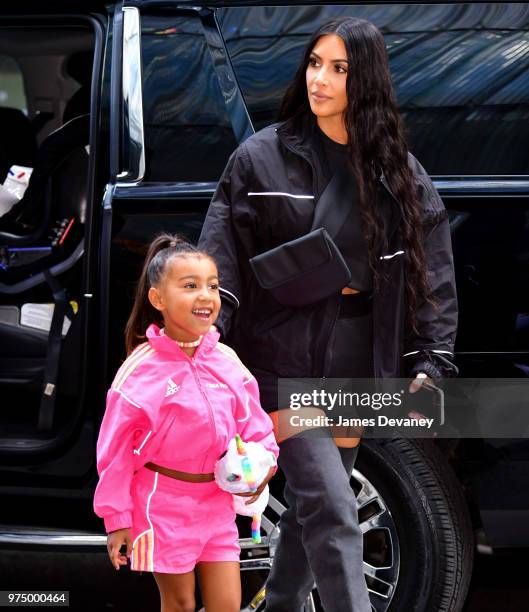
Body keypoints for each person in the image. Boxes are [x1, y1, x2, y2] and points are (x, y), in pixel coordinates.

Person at [198, 15, 458, 612]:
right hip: (282, 351)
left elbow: (433, 275)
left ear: (364, 80)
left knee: (321, 498)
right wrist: (214, 336)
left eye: (338, 69)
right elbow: (222, 254)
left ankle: (279, 605)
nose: (320, 79)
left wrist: (432, 357)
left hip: (358, 352)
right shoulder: (259, 159)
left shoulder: (399, 173)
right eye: (315, 63)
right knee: (335, 507)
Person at [93, 233, 279, 612]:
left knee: (227, 604)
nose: (206, 296)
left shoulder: (226, 360)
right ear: (158, 299)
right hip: (163, 507)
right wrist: (117, 520)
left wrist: (261, 467)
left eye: (213, 285)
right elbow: (114, 454)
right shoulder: (140, 373)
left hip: (216, 505)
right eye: (190, 286)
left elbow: (257, 427)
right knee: (179, 603)